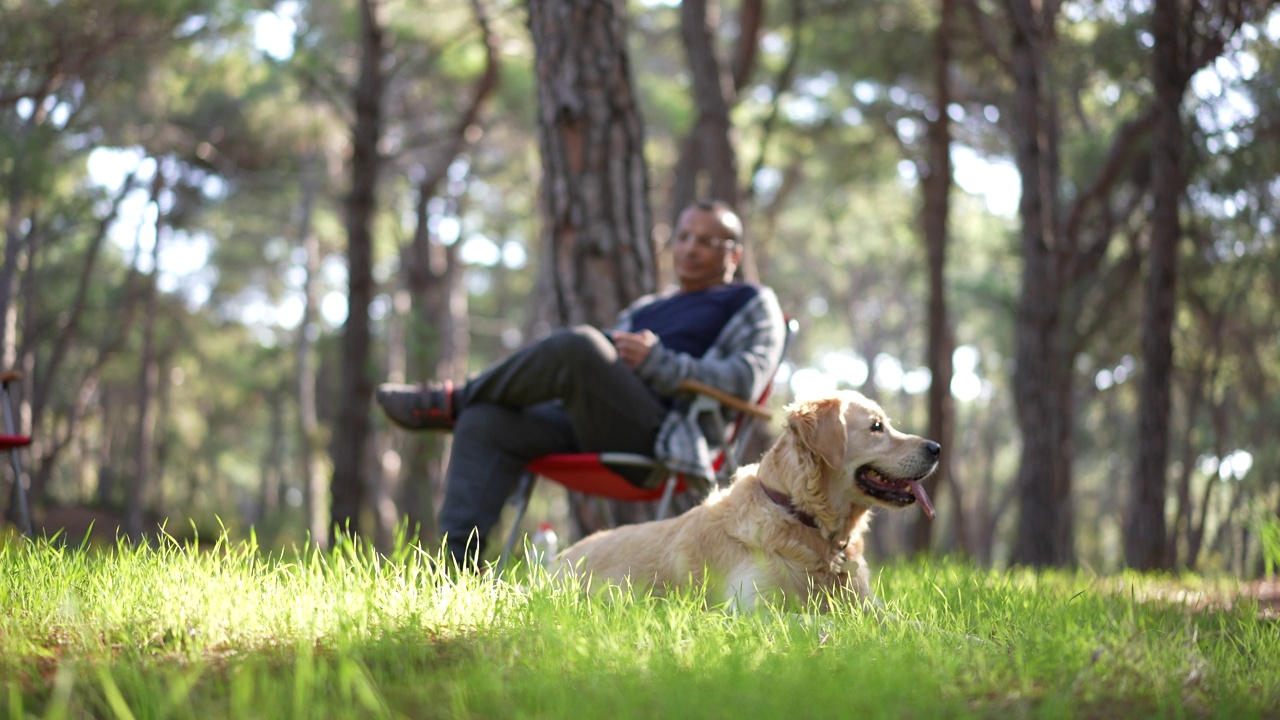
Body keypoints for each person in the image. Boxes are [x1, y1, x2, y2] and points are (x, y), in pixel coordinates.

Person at [377, 200, 787, 568]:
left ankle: (449, 401)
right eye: (683, 237)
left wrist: (661, 364)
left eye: (706, 241)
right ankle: (454, 570)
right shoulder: (649, 307)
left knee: (579, 345)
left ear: (733, 253)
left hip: (663, 434)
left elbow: (745, 380)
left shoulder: (750, 302)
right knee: (486, 418)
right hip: (593, 422)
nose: (690, 248)